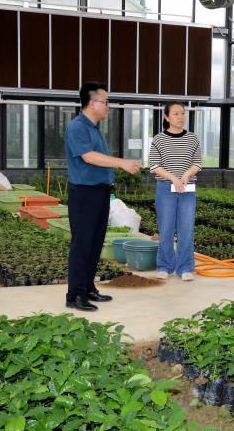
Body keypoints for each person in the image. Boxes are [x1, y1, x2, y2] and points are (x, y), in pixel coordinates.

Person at [65, 81, 141, 311]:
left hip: (99, 192)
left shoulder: (94, 128)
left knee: (95, 243)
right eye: (106, 102)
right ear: (92, 103)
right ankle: (75, 295)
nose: (108, 106)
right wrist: (122, 163)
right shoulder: (77, 127)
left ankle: (88, 288)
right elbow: (88, 157)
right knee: (82, 244)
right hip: (84, 194)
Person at [150, 102, 202, 282]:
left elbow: (197, 163)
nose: (180, 117)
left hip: (187, 188)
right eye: (176, 114)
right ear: (166, 117)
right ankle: (165, 266)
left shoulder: (192, 138)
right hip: (166, 188)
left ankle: (185, 268)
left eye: (182, 113)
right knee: (166, 228)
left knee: (186, 228)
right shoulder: (159, 139)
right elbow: (154, 165)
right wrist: (173, 178)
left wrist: (186, 175)